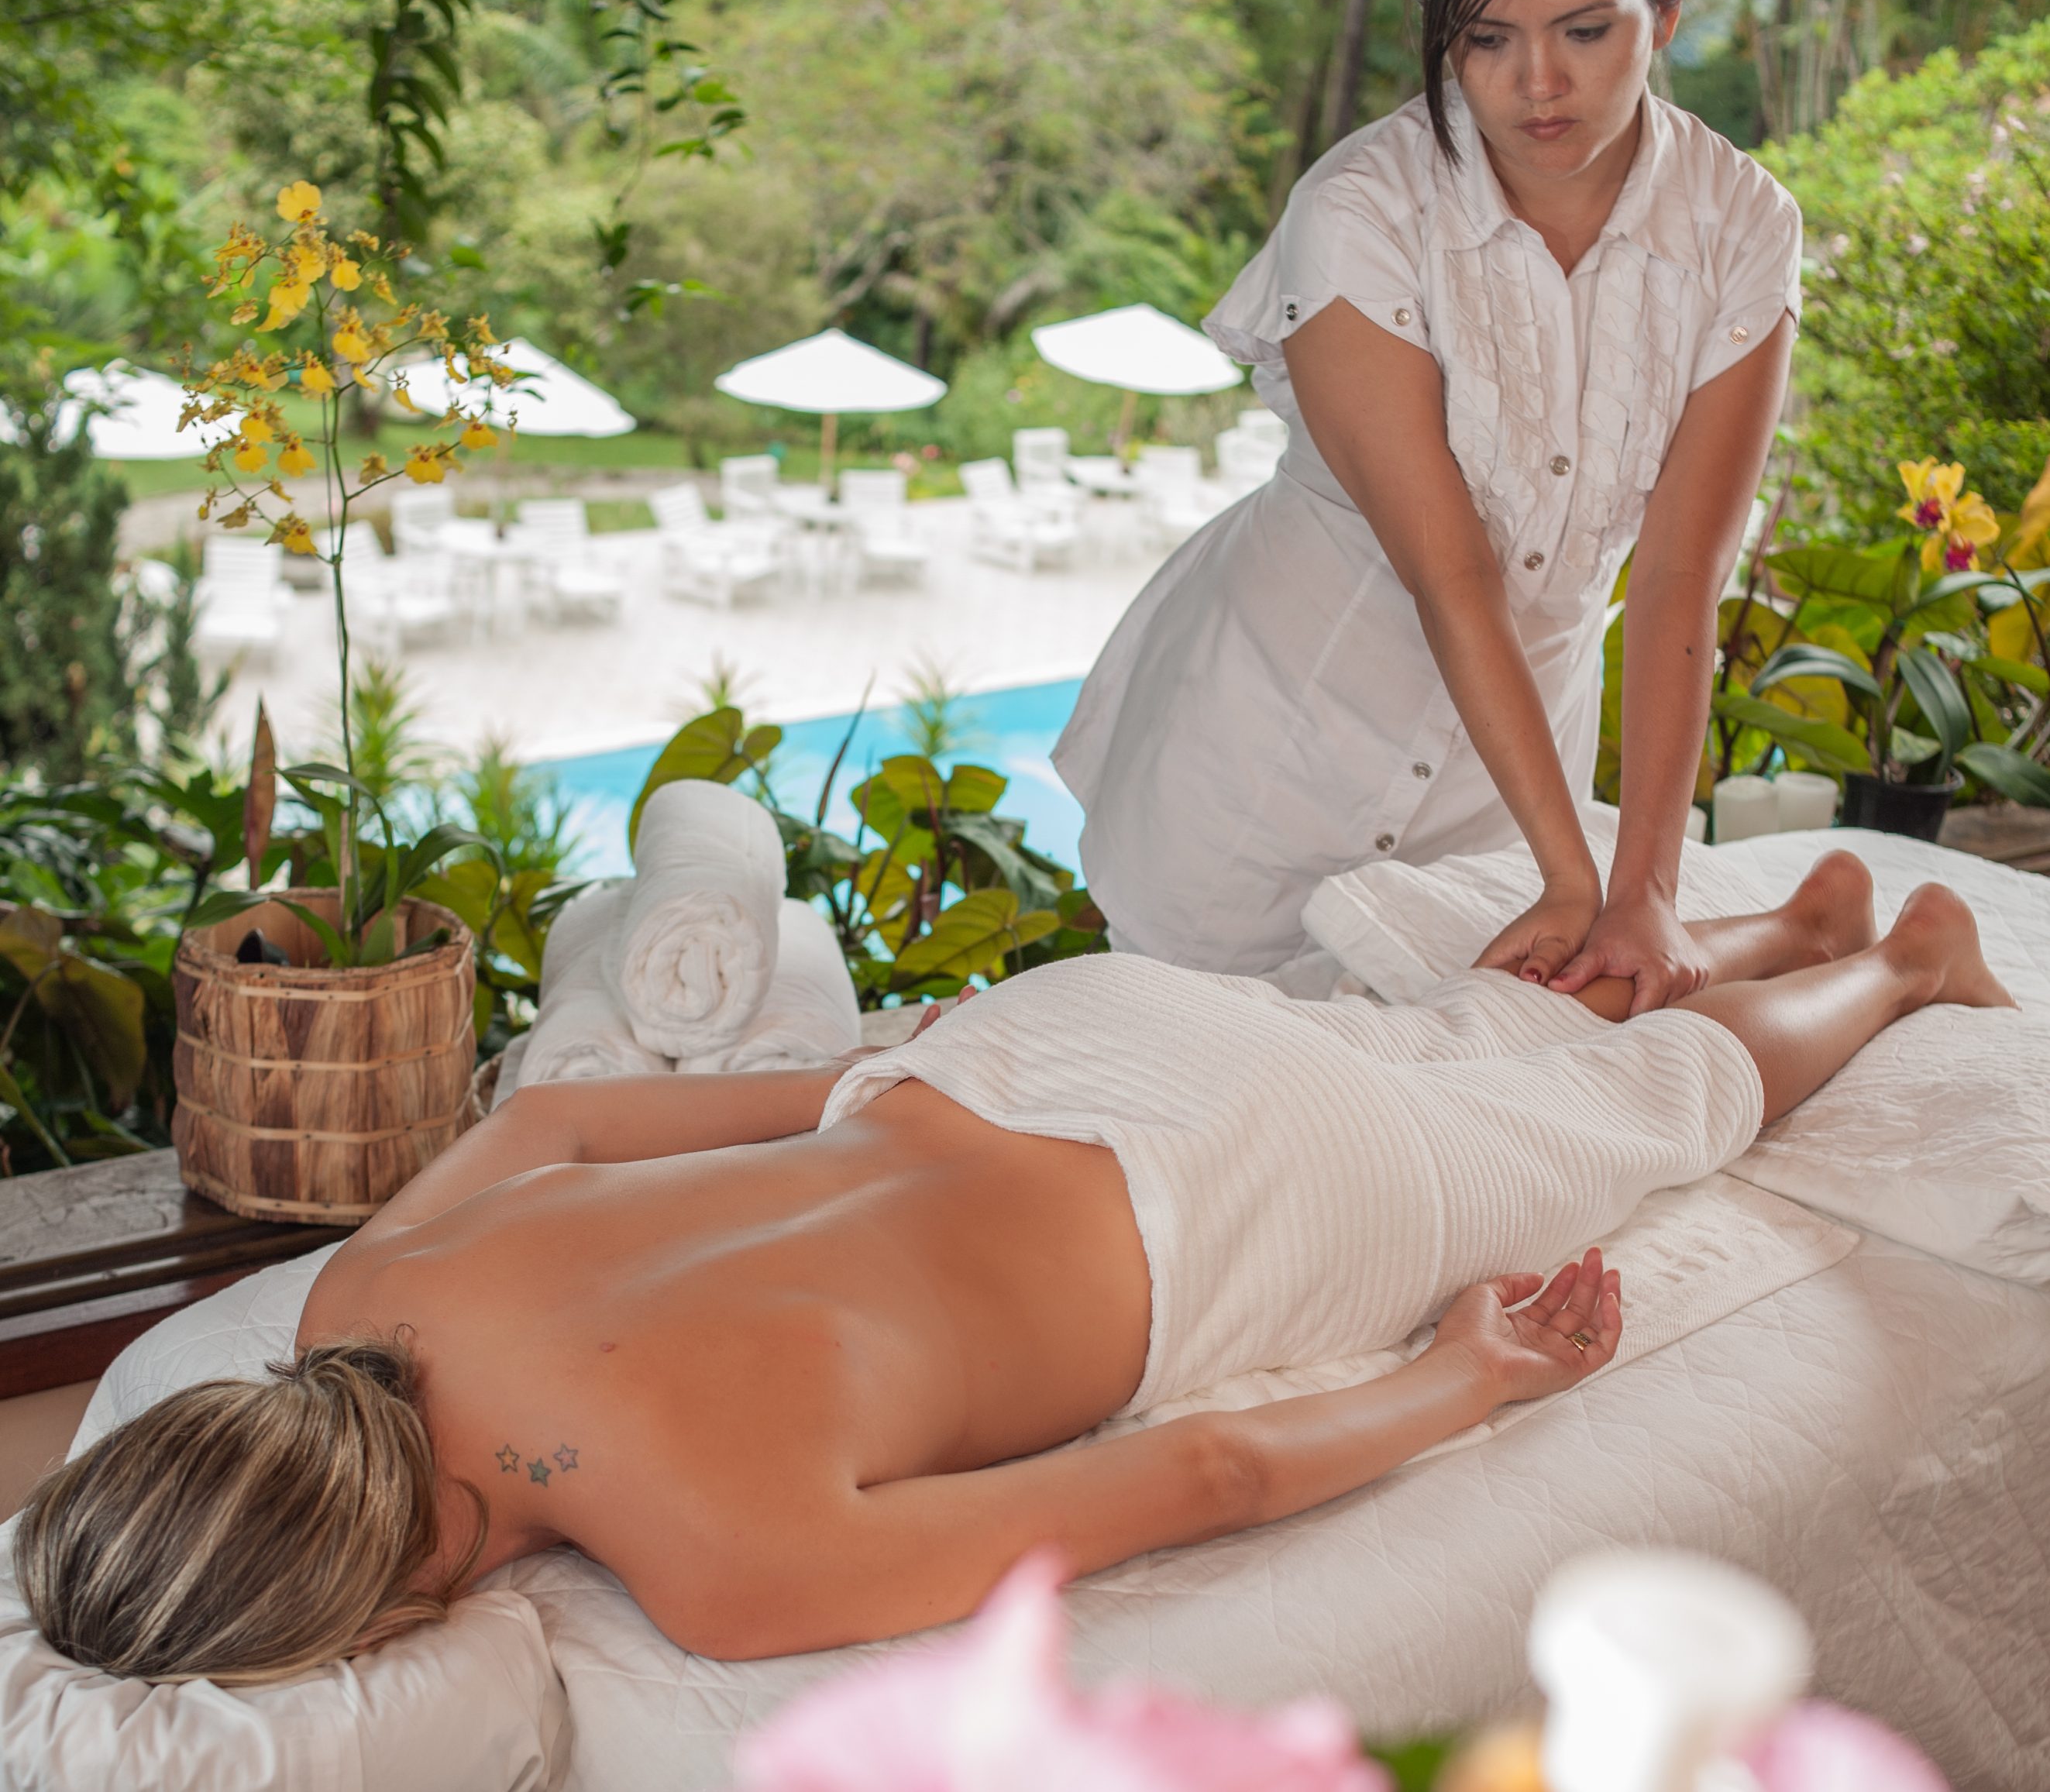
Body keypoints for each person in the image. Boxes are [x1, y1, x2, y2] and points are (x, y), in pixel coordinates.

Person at [16, 859, 2012, 1684]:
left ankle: (1904, 961)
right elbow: (556, 1128)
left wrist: (1464, 1381)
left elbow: (1202, 1475)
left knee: (1655, 1114)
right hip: (1038, 1046)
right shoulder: (357, 1297)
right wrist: (879, 1083)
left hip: (1231, 1196)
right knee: (1452, 1047)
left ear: (366, 1619)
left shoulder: (717, 1566)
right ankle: (1778, 920)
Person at [1054, 0, 1802, 1008]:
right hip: (1262, 769)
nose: (1536, 84)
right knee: (1203, 1100)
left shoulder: (1741, 227)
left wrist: (1639, 888)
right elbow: (1449, 571)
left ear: (1663, 7)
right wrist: (1571, 873)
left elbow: (1677, 577)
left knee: (1456, 1096)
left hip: (1501, 805)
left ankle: (1819, 927)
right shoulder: (1359, 213)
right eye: (1485, 38)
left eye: (1584, 31)